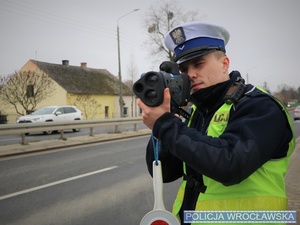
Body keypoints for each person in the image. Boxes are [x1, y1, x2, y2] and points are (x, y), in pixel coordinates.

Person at [137, 21, 295, 225]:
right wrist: (168, 115)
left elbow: (231, 165)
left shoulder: (260, 106)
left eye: (198, 64)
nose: (190, 74)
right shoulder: (197, 111)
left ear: (225, 63)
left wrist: (167, 125)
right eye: (184, 68)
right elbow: (166, 172)